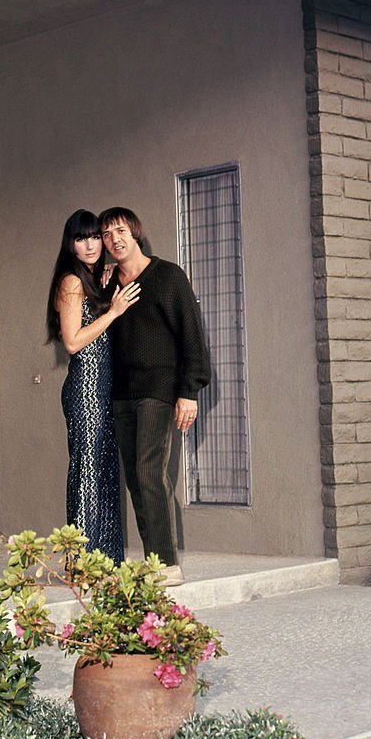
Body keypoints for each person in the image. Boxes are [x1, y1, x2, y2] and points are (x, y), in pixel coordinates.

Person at [99, 207, 211, 586]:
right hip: (122, 394)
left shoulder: (167, 276)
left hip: (159, 391)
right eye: (106, 234)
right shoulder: (109, 284)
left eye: (120, 230)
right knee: (136, 478)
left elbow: (191, 336)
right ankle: (153, 563)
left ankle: (166, 565)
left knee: (150, 471)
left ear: (135, 233)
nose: (114, 238)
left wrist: (189, 392)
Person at [46, 209, 141, 562]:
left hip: (102, 389)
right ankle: (82, 563)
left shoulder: (90, 279)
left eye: (94, 237)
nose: (90, 245)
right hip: (85, 387)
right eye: (81, 238)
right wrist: (113, 312)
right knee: (86, 471)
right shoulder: (71, 282)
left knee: (105, 472)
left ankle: (106, 560)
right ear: (70, 244)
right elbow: (72, 342)